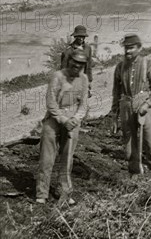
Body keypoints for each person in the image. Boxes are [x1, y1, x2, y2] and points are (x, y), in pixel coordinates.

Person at [36, 47, 89, 205]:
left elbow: (84, 105)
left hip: (73, 121)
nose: (77, 66)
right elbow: (51, 103)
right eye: (75, 62)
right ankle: (42, 193)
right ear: (69, 61)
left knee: (67, 159)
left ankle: (65, 193)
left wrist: (75, 119)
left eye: (81, 64)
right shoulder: (57, 76)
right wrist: (63, 120)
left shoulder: (84, 79)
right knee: (47, 159)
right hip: (55, 119)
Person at [111, 34, 151, 174]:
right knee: (129, 145)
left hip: (144, 107)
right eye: (126, 48)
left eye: (131, 48)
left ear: (139, 48)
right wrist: (114, 116)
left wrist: (147, 104)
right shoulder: (120, 67)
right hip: (126, 106)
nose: (128, 51)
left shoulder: (149, 65)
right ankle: (134, 173)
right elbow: (116, 93)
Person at [61, 25, 93, 97]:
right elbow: (63, 69)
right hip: (71, 81)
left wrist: (90, 81)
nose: (81, 39)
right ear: (75, 36)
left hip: (83, 80)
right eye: (79, 36)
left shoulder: (88, 48)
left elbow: (89, 66)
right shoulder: (68, 51)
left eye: (83, 36)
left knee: (84, 104)